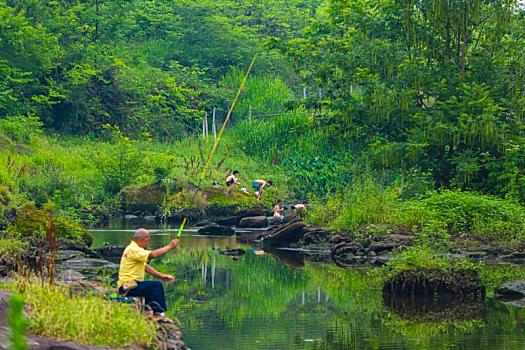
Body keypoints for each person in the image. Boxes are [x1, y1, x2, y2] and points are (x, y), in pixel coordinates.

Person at [117, 228, 179, 324]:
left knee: (152, 286)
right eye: (148, 240)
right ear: (144, 239)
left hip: (133, 284)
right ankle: (157, 314)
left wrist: (161, 276)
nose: (149, 242)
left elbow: (145, 267)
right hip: (127, 286)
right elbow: (153, 255)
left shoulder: (134, 249)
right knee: (156, 286)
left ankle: (150, 312)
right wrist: (170, 246)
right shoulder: (134, 249)